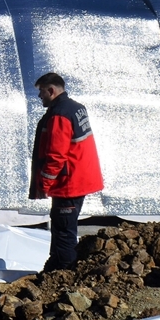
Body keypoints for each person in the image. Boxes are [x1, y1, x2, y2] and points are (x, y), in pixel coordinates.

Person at [29, 72, 104, 273]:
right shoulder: (76, 108)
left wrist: (44, 184)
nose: (39, 97)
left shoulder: (59, 115)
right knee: (64, 229)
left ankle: (63, 273)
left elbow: (56, 155)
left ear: (51, 91)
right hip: (80, 180)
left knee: (64, 232)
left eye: (41, 92)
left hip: (68, 185)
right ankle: (55, 267)